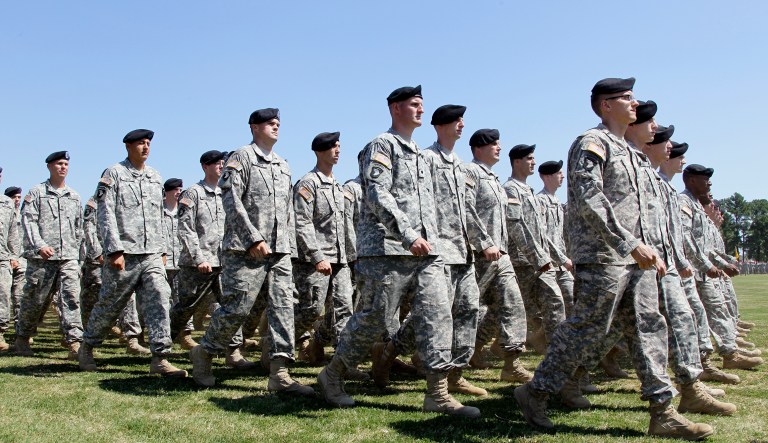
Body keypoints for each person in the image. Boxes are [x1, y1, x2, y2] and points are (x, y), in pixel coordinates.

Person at [514, 77, 712, 440]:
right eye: (626, 98)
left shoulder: (633, 154)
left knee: (649, 327)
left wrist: (652, 249)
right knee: (587, 329)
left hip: (638, 259)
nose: (634, 104)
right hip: (602, 256)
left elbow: (643, 210)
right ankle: (535, 391)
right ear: (606, 105)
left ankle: (662, 411)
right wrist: (629, 243)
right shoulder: (592, 143)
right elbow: (589, 198)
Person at [317, 86, 479, 418]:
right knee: (373, 319)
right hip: (386, 251)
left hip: (426, 253)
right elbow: (377, 195)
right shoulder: (381, 146)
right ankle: (332, 376)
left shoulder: (421, 155)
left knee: (438, 315)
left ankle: (437, 392)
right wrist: (407, 234)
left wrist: (437, 241)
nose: (421, 110)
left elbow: (434, 206)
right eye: (414, 105)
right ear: (395, 109)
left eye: (422, 105)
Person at [189, 108, 313, 395]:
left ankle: (280, 372)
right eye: (270, 123)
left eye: (278, 123)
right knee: (238, 308)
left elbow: (287, 211)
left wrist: (289, 247)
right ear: (254, 127)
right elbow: (231, 200)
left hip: (279, 251)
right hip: (245, 251)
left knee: (283, 308)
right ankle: (205, 352)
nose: (276, 127)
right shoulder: (241, 157)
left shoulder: (283, 165)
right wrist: (252, 238)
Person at [632, 114, 735, 415]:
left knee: (682, 319)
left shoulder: (657, 182)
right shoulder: (636, 170)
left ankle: (690, 387)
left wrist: (676, 260)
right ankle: (554, 383)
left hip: (663, 265)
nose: (673, 152)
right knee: (596, 330)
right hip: (638, 264)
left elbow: (670, 231)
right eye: (667, 143)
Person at [377, 104, 484, 396]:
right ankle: (390, 352)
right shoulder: (426, 159)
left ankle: (455, 373)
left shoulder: (460, 165)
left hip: (463, 251)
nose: (461, 125)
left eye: (463, 120)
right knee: (431, 314)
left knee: (469, 309)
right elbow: (414, 204)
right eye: (455, 121)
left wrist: (482, 240)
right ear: (440, 126)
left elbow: (467, 210)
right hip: (437, 249)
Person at [79, 129, 187, 377]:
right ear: (128, 146)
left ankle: (160, 357)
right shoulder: (113, 174)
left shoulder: (154, 177)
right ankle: (87, 346)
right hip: (125, 254)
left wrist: (161, 249)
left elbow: (158, 216)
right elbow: (104, 214)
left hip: (150, 254)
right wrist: (114, 249)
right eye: (141, 143)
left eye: (148, 143)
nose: (146, 147)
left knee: (161, 296)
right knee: (109, 305)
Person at [170, 150, 253, 367]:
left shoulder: (229, 193)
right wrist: (199, 258)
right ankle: (163, 342)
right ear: (205, 166)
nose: (221, 166)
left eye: (222, 163)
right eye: (216, 163)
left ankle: (233, 352)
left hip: (225, 262)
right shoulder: (193, 193)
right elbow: (186, 229)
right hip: (197, 265)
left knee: (231, 305)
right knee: (186, 307)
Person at [464, 129, 532, 384]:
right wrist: (483, 243)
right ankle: (400, 349)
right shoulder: (470, 173)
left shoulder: (493, 179)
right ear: (478, 148)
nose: (499, 147)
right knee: (458, 308)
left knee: (512, 303)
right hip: (478, 256)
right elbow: (466, 209)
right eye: (493, 144)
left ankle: (512, 363)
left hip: (500, 256)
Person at [680, 165, 762, 370]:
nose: (709, 183)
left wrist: (723, 264)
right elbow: (687, 240)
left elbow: (706, 248)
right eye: (704, 179)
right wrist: (708, 265)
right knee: (695, 315)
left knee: (715, 310)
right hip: (691, 270)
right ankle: (710, 360)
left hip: (702, 271)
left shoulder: (695, 205)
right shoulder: (684, 202)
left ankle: (726, 352)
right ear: (691, 180)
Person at [293, 132, 358, 372]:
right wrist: (317, 256)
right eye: (333, 147)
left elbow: (345, 226)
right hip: (315, 261)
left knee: (344, 309)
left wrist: (351, 257)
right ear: (320, 151)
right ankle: (276, 343)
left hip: (340, 260)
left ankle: (344, 363)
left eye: (339, 146)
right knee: (310, 309)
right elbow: (302, 222)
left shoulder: (337, 187)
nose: (338, 151)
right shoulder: (308, 183)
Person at [16, 151, 84, 359]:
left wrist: (79, 257)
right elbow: (29, 221)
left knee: (71, 298)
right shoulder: (36, 193)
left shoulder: (74, 196)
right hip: (43, 259)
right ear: (49, 167)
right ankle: (22, 337)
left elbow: (79, 228)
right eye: (58, 164)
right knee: (35, 299)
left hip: (68, 257)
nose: (63, 167)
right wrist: (40, 246)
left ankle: (74, 342)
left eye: (66, 164)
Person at [503, 145, 566, 352]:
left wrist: (554, 257)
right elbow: (516, 225)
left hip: (539, 261)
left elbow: (541, 232)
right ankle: (481, 346)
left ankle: (557, 352)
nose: (533, 162)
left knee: (554, 301)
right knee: (508, 309)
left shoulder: (527, 191)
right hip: (523, 261)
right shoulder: (510, 189)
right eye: (529, 158)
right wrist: (537, 256)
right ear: (517, 162)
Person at [536, 161, 574, 317]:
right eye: (559, 173)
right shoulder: (540, 201)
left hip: (562, 265)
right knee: (553, 309)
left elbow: (561, 236)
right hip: (549, 265)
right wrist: (562, 258)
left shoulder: (558, 203)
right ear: (547, 176)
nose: (563, 176)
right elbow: (542, 236)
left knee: (572, 301)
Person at [0, 169, 21, 351]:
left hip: (2, 257)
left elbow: (13, 232)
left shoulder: (6, 203)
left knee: (3, 295)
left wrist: (14, 255)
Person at [4, 186, 24, 332]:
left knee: (19, 297)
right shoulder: (4, 212)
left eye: (18, 197)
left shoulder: (24, 215)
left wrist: (16, 257)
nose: (17, 200)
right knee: (3, 296)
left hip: (21, 261)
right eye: (14, 197)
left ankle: (20, 330)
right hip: (5, 259)